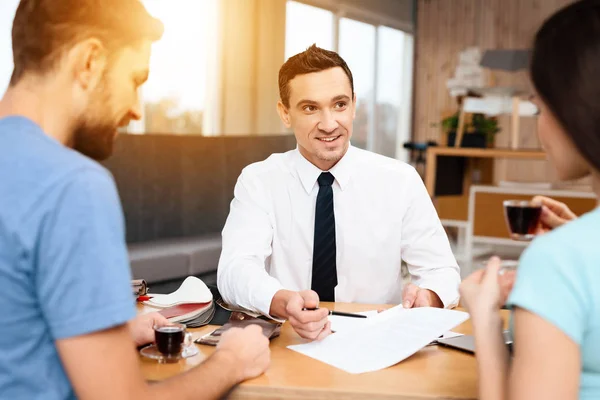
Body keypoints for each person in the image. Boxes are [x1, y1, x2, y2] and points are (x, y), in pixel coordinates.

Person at [0, 1, 269, 399]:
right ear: (89, 62)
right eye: (135, 80)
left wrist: (110, 334)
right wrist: (232, 360)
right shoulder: (73, 186)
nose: (136, 109)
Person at [218, 44, 461, 340]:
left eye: (340, 105)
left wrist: (431, 297)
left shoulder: (400, 180)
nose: (329, 124)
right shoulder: (258, 181)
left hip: (377, 342)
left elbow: (441, 269)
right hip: (289, 339)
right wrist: (282, 301)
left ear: (354, 105)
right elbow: (234, 269)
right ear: (285, 113)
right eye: (310, 108)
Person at [460, 1, 600, 398]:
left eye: (538, 105)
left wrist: (486, 321)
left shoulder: (558, 259)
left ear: (575, 108)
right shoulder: (573, 251)